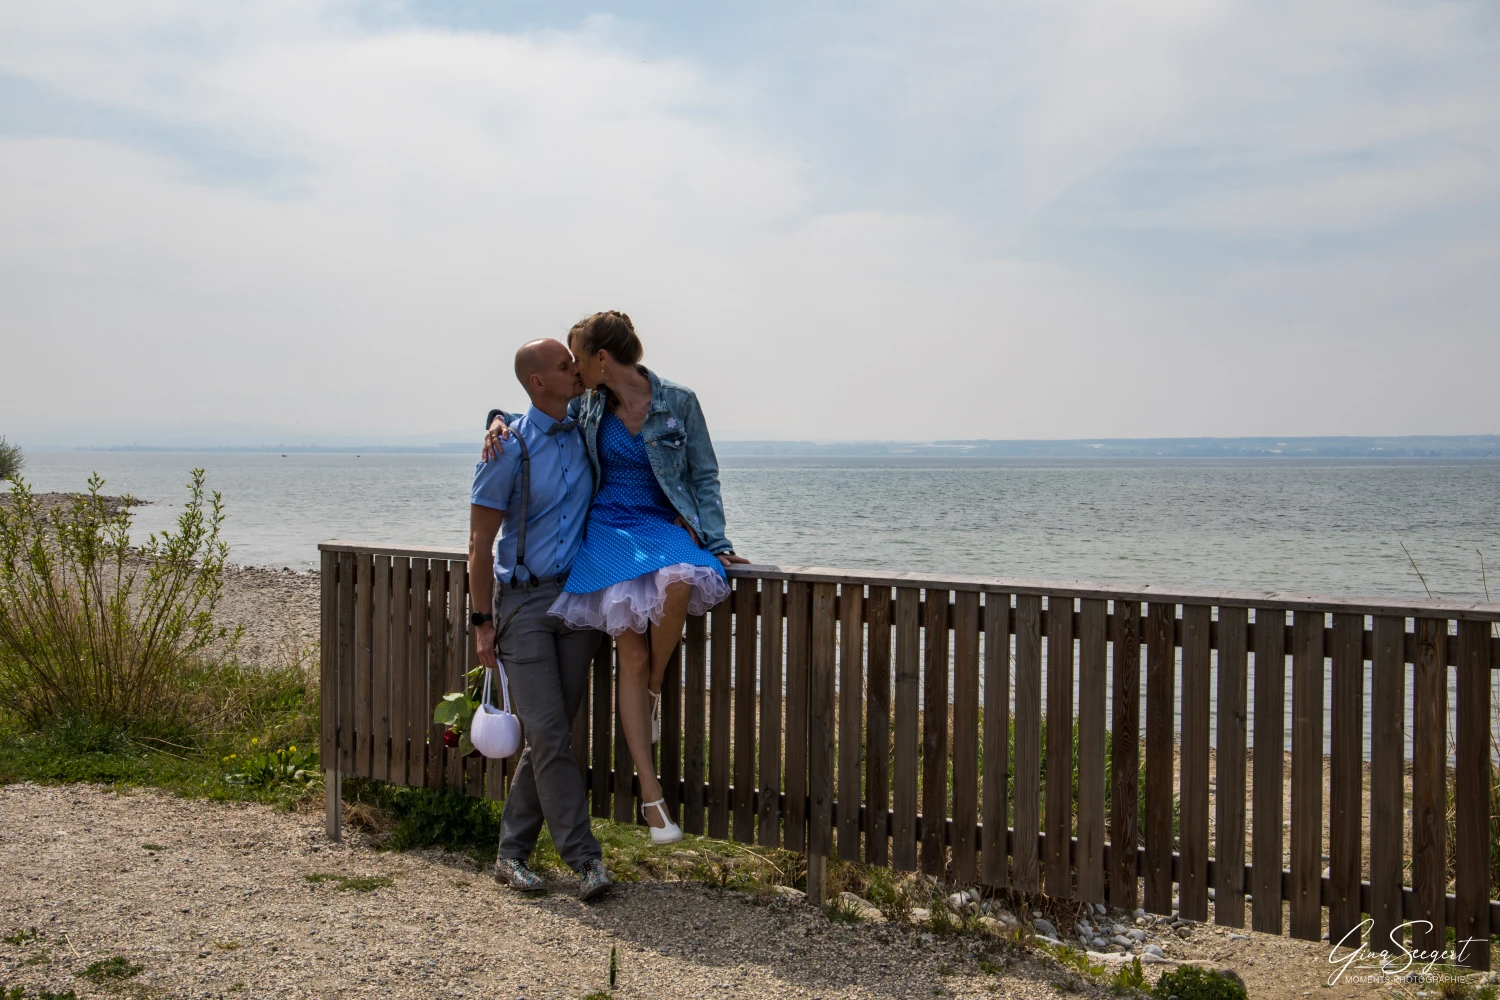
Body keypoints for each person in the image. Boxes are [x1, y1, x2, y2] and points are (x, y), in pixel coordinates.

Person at [484, 310, 748, 844]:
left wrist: (716, 541)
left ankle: (650, 694)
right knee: (629, 651)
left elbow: (704, 473)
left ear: (602, 358)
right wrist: (494, 419)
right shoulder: (587, 403)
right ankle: (654, 805)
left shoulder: (679, 402)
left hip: (660, 521)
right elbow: (531, 412)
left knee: (679, 580)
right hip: (606, 526)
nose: (574, 369)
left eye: (578, 357)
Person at [469, 338, 613, 900]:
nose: (574, 370)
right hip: (523, 605)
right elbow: (480, 544)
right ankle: (586, 861)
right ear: (536, 382)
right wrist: (484, 623)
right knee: (550, 733)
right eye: (563, 366)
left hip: (579, 600)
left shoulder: (584, 426)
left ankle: (510, 855)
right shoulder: (506, 448)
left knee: (551, 735)